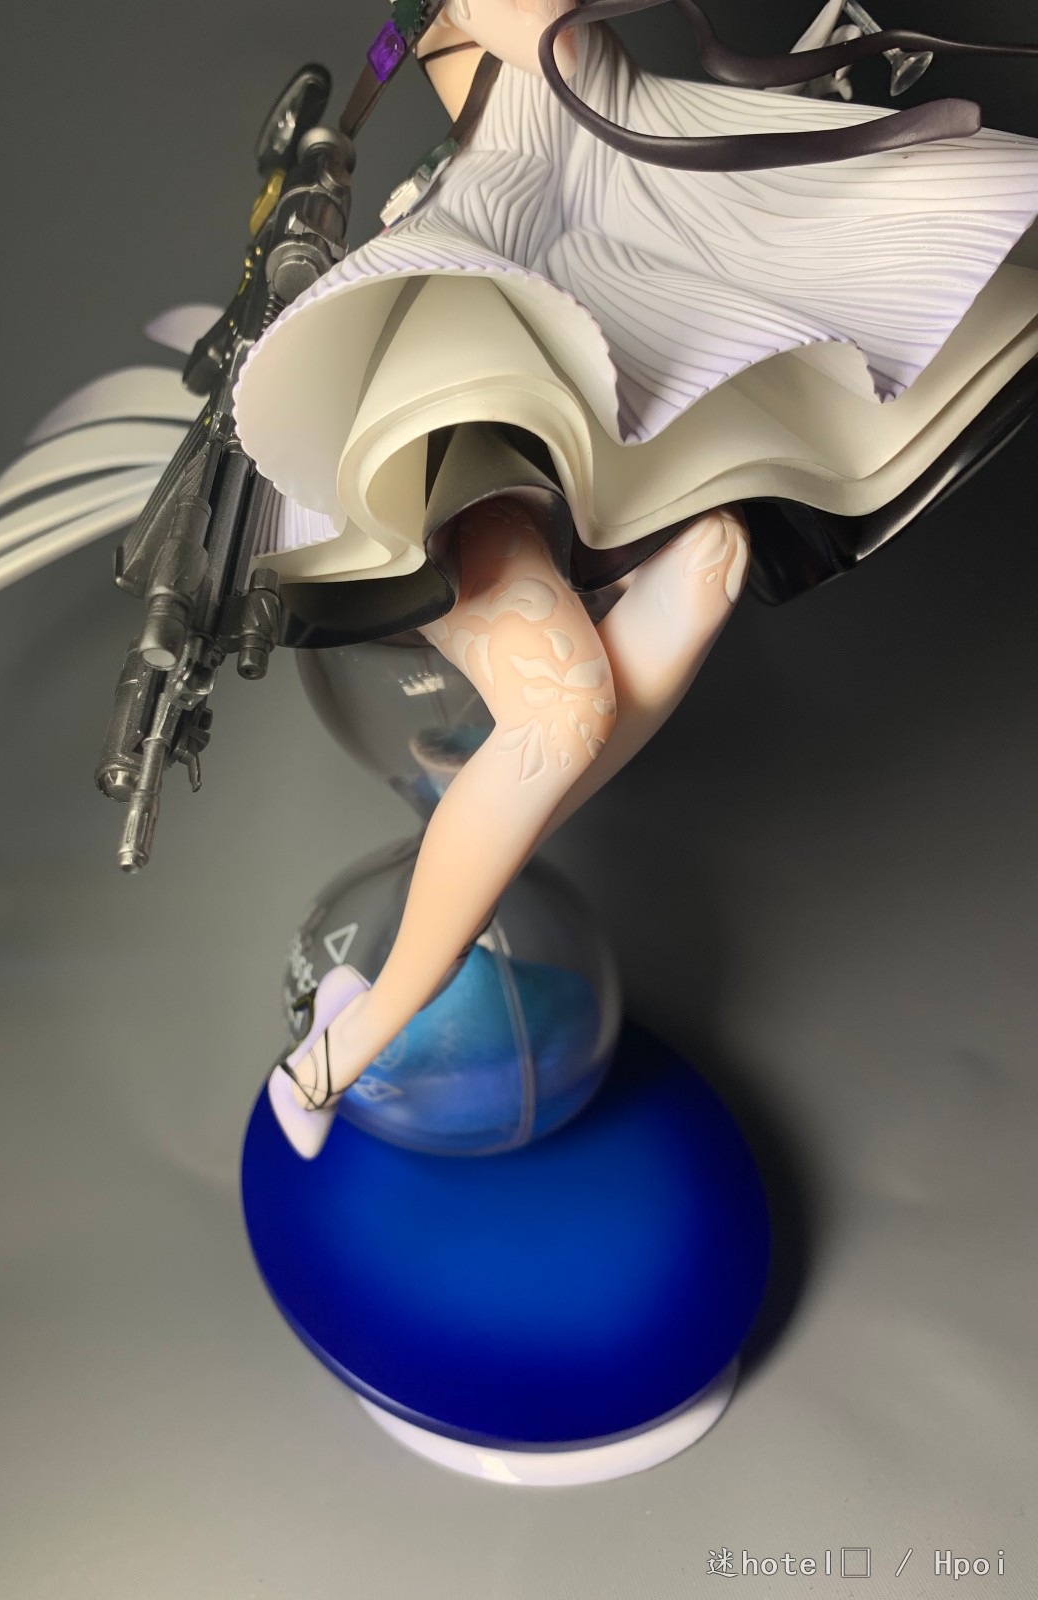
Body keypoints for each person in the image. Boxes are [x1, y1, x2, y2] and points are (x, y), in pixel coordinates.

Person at [258, 0, 1038, 1155]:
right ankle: (341, 1047)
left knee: (715, 555)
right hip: (466, 407)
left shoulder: (598, 99)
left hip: (583, 382)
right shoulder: (489, 29)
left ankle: (480, 832)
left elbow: (666, 155)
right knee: (566, 710)